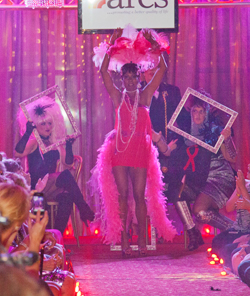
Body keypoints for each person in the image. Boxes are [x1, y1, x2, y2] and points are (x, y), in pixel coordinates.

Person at [91, 25, 177, 255]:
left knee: (139, 196)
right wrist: (111, 43)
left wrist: (156, 46)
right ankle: (125, 240)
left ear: (138, 77)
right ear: (122, 78)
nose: (130, 80)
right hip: (120, 151)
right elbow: (102, 73)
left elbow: (162, 69)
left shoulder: (146, 95)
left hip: (140, 150)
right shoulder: (117, 96)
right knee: (122, 196)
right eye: (126, 76)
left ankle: (140, 241)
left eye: (133, 76)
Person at [165, 90, 236, 250]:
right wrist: (167, 148)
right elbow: (170, 154)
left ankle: (234, 229)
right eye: (195, 111)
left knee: (200, 211)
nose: (197, 115)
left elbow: (232, 158)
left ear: (207, 113)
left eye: (201, 112)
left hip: (218, 177)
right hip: (198, 178)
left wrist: (227, 139)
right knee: (176, 191)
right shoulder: (186, 133)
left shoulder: (215, 131)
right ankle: (193, 234)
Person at [15, 96, 94, 234]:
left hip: (51, 187)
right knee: (64, 175)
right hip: (37, 188)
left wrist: (68, 147)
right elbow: (18, 153)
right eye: (43, 124)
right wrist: (28, 133)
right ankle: (84, 208)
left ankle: (56, 239)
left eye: (49, 123)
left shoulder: (54, 144)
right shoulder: (34, 143)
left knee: (67, 196)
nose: (47, 127)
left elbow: (68, 163)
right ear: (36, 126)